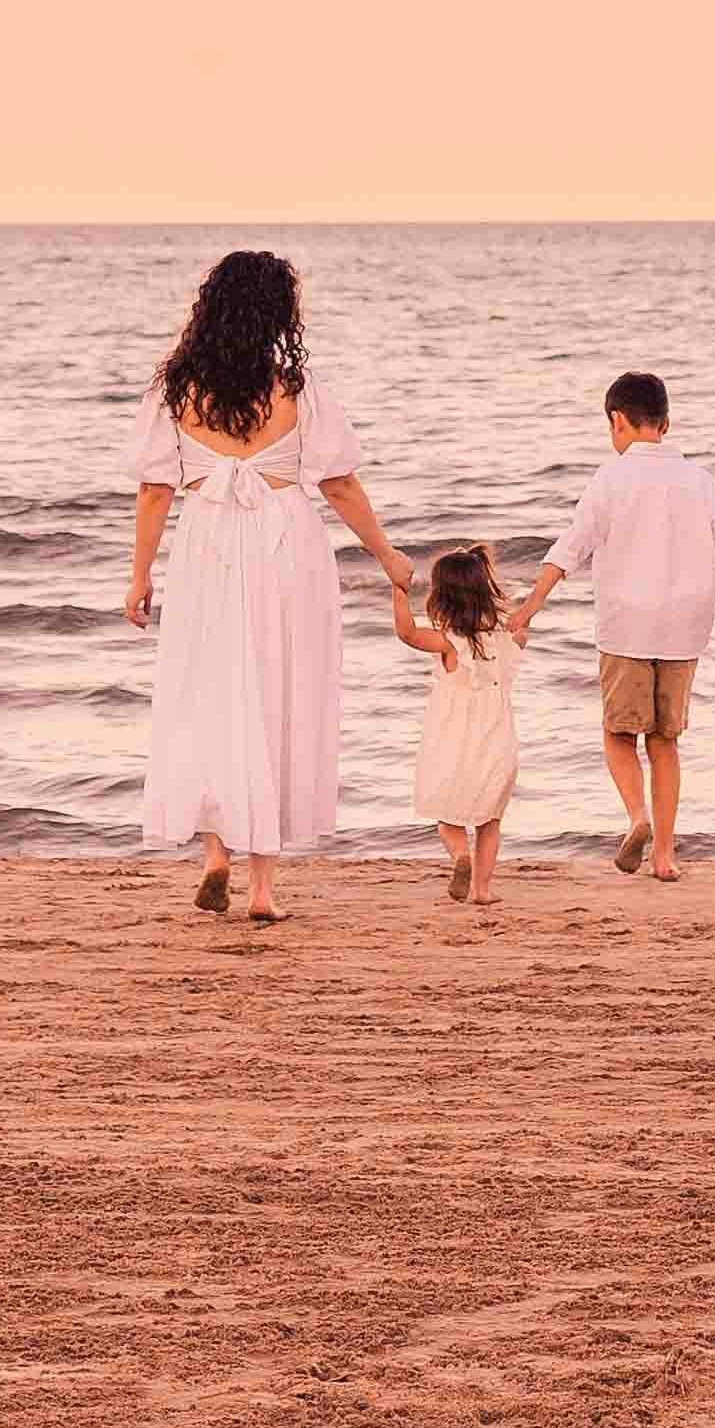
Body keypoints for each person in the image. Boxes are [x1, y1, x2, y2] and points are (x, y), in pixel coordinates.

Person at [125, 248, 413, 924]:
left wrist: (140, 575)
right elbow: (338, 484)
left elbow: (153, 491)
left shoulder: (176, 390)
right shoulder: (296, 390)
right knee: (277, 695)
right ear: (277, 313)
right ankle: (262, 891)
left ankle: (215, 855)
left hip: (207, 547)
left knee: (213, 696)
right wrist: (388, 556)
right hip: (286, 546)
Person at [510, 369, 715, 881]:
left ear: (618, 421)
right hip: (686, 627)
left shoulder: (611, 479)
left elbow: (570, 548)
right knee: (665, 741)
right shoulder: (699, 481)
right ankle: (664, 855)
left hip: (627, 625)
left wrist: (529, 607)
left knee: (619, 734)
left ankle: (636, 816)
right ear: (667, 422)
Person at [387, 540, 523, 915]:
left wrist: (398, 589)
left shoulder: (447, 641)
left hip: (451, 735)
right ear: (484, 588)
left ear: (441, 596)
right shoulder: (504, 636)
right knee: (490, 818)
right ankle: (481, 889)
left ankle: (460, 855)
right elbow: (522, 627)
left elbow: (407, 633)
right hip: (496, 735)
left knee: (447, 816)